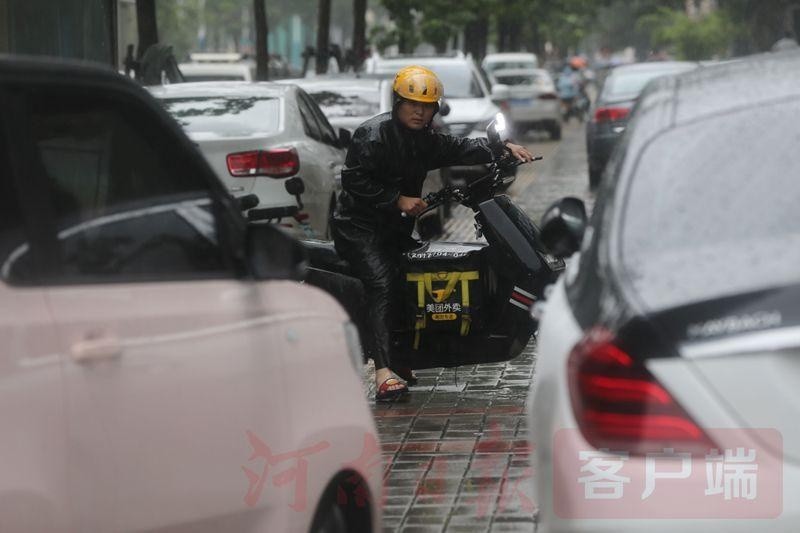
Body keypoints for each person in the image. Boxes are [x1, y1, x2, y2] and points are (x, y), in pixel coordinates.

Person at [330, 66, 534, 401]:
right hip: (359, 230)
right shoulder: (373, 135)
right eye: (412, 104)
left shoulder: (425, 140)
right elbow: (354, 180)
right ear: (398, 103)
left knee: (410, 278)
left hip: (394, 230)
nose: (419, 111)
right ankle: (382, 371)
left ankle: (401, 356)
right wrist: (396, 199)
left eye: (426, 106)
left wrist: (503, 148)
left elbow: (458, 147)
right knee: (382, 283)